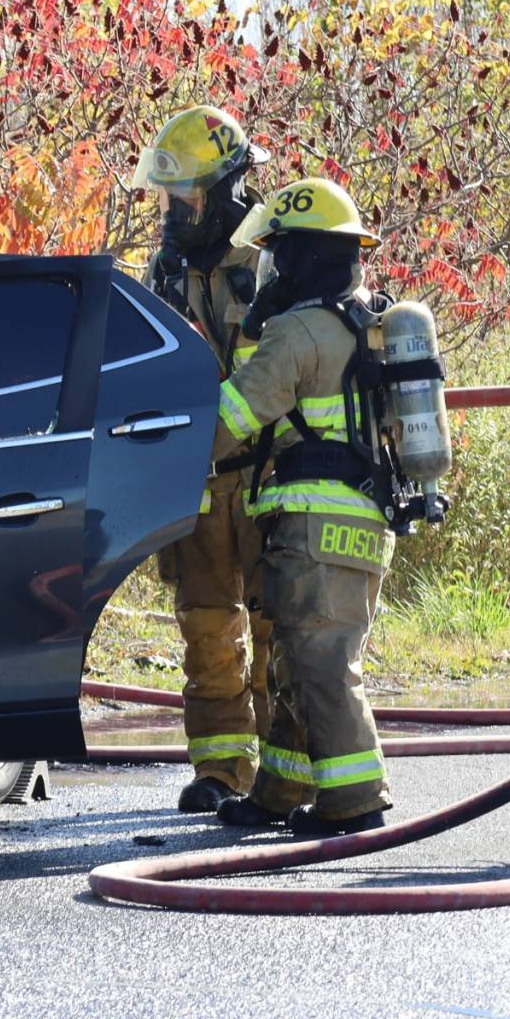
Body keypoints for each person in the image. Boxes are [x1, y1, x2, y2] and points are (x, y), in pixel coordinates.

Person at [206, 178, 398, 836]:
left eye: (277, 256)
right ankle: (280, 789)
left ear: (295, 258)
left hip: (315, 523)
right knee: (294, 660)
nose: (269, 272)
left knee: (319, 663)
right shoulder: (369, 321)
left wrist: (158, 444)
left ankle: (354, 801)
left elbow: (230, 419)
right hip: (360, 519)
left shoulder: (294, 332)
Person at [128, 106, 276, 810]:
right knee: (207, 631)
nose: (172, 211)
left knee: (279, 629)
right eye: (167, 197)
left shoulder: (276, 256)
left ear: (222, 190)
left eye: (183, 195)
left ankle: (285, 777)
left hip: (272, 476)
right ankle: (220, 774)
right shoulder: (166, 267)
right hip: (200, 480)